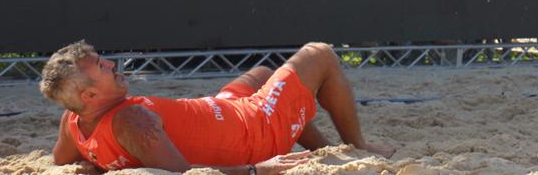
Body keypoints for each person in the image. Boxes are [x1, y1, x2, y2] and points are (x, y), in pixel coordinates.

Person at [40, 40, 392, 173]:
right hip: (254, 132)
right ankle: (358, 144)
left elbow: (64, 162)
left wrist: (101, 166)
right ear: (89, 96)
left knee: (262, 74)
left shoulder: (74, 121)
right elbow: (188, 174)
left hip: (223, 109)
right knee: (321, 54)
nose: (112, 65)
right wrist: (259, 169)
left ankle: (327, 148)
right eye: (102, 68)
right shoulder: (132, 121)